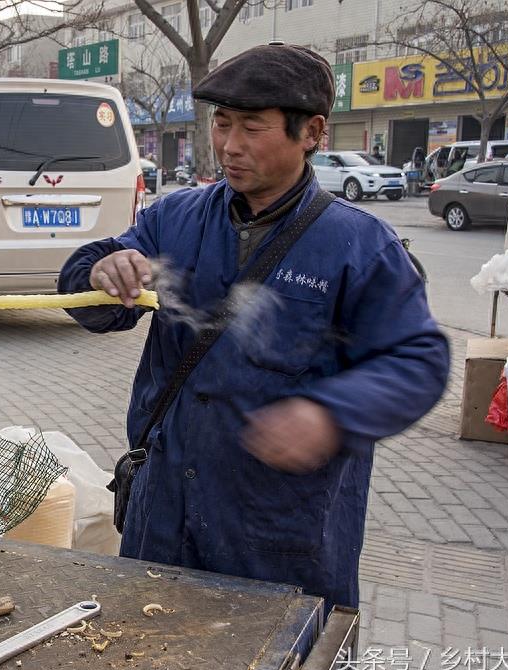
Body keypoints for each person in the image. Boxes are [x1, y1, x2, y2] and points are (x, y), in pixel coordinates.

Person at [58, 43, 449, 612]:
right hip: (163, 513)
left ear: (311, 132)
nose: (229, 146)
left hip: (279, 530)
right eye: (221, 124)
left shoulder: (359, 247)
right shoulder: (176, 217)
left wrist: (331, 413)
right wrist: (98, 269)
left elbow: (417, 360)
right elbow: (92, 297)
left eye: (252, 128)